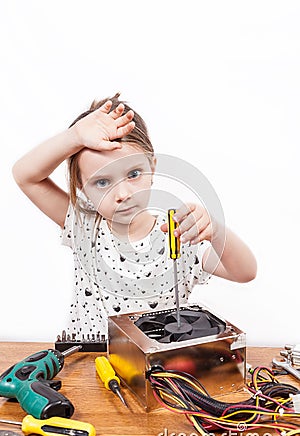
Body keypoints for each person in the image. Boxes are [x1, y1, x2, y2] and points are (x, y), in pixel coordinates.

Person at [12, 93, 257, 339]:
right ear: (80, 186)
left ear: (152, 167)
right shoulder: (83, 225)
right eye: (102, 182)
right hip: (86, 357)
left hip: (154, 369)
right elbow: (25, 175)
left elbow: (245, 272)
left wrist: (215, 230)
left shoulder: (178, 235)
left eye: (133, 174)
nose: (122, 193)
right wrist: (73, 137)